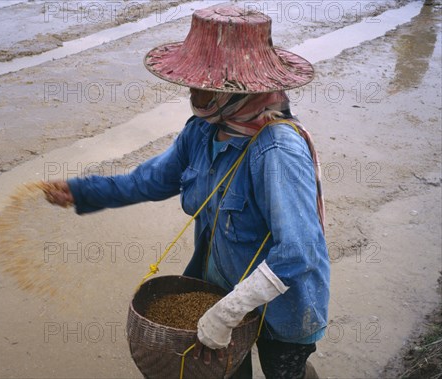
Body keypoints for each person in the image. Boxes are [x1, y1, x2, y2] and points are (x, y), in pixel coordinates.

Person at [45, 5, 329, 379]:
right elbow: (148, 181)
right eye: (194, 80)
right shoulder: (201, 131)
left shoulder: (277, 151)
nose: (194, 91)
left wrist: (230, 310)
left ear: (239, 89)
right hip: (218, 287)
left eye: (207, 83)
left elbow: (299, 251)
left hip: (283, 305)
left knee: (285, 374)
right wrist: (84, 192)